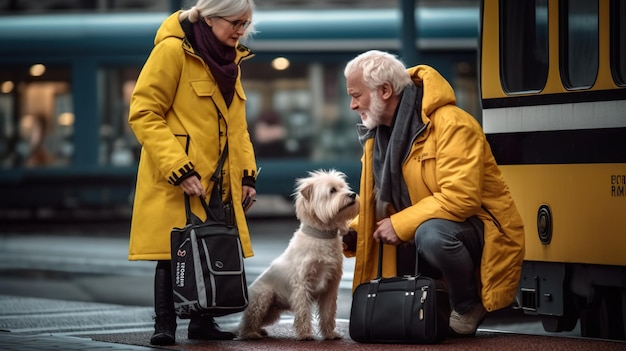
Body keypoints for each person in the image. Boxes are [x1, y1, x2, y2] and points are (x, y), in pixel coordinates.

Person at [342, 50, 525, 336]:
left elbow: (461, 199)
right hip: (423, 223)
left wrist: (400, 224)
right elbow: (379, 202)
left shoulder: (453, 124)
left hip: (476, 229)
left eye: (356, 95)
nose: (352, 105)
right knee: (416, 237)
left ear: (385, 91)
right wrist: (353, 230)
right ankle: (435, 306)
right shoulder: (378, 136)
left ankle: (467, 305)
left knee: (431, 235)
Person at [127, 0, 259, 346]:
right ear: (211, 16)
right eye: (235, 22)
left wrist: (246, 175)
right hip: (180, 173)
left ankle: (203, 322)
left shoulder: (233, 61)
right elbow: (144, 113)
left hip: (220, 177)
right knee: (173, 251)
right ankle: (165, 324)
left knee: (211, 244)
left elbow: (237, 127)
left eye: (245, 24)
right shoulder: (171, 52)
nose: (240, 30)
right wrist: (179, 169)